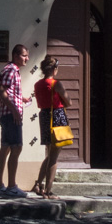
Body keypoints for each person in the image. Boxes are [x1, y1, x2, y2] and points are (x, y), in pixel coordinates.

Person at [0, 43, 33, 197]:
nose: (27, 59)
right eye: (24, 55)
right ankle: (11, 187)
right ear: (16, 56)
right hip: (10, 116)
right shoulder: (10, 70)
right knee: (16, 147)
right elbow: (2, 91)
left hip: (9, 114)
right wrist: (14, 110)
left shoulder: (13, 71)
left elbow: (8, 92)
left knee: (6, 148)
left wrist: (21, 99)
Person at [32, 55, 72, 198]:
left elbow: (39, 103)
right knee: (54, 157)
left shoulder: (37, 84)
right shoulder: (56, 84)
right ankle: (48, 191)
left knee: (49, 154)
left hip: (44, 117)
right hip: (57, 117)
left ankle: (38, 184)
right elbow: (69, 102)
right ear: (55, 69)